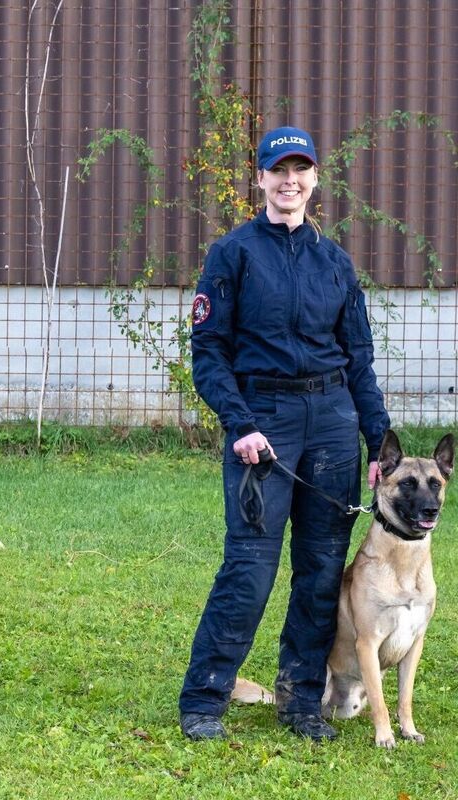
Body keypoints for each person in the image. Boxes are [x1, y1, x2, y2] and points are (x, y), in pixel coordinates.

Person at [178, 126, 391, 742]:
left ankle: (301, 701)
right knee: (248, 567)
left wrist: (378, 443)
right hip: (262, 423)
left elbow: (359, 360)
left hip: (331, 423)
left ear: (315, 180)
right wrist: (239, 423)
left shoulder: (335, 262)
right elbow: (209, 353)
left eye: (300, 170)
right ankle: (204, 698)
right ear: (261, 179)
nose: (289, 181)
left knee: (323, 570)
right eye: (278, 170)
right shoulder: (232, 254)